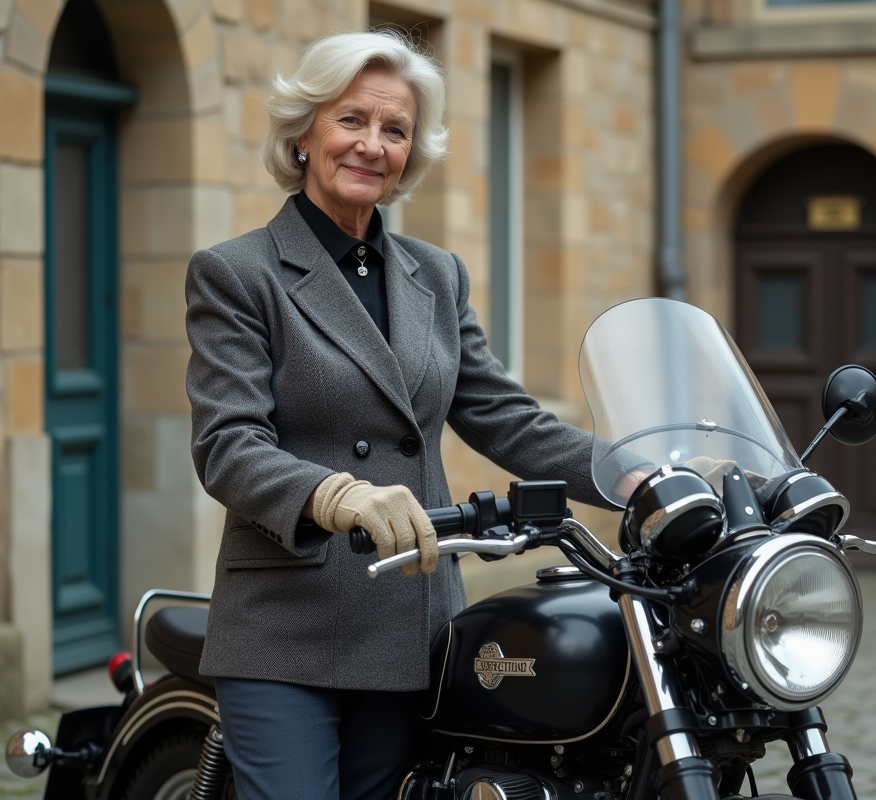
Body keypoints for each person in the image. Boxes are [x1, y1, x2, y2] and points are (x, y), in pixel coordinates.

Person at [184, 31, 621, 800]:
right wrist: (336, 494)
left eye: (396, 130)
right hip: (286, 626)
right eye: (352, 120)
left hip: (408, 620)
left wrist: (638, 472)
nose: (373, 145)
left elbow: (505, 417)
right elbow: (228, 444)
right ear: (304, 132)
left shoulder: (436, 275)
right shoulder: (238, 273)